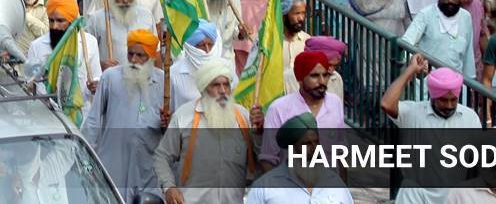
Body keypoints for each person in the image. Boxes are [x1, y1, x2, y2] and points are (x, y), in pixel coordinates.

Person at [154, 57, 260, 204]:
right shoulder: (184, 117)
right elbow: (162, 156)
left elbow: (260, 158)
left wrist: (260, 132)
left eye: (226, 85)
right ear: (203, 88)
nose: (222, 91)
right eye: (216, 85)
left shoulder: (243, 117)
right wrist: (169, 187)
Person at [381, 56, 481, 204]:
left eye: (453, 100)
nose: (448, 105)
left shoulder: (470, 117)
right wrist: (411, 71)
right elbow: (386, 103)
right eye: (443, 100)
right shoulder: (414, 112)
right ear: (432, 96)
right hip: (414, 195)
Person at [84, 29, 170, 200]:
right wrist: (87, 162)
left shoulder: (165, 83)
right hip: (113, 166)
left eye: (141, 55)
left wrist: (167, 124)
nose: (133, 60)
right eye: (130, 54)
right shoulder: (110, 78)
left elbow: (173, 134)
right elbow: (93, 122)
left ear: (152, 57)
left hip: (147, 170)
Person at [259, 51, 345, 169]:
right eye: (314, 76)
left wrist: (343, 186)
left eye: (325, 75)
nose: (321, 81)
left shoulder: (335, 103)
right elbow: (268, 159)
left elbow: (340, 152)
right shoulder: (279, 108)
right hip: (290, 184)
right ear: (300, 79)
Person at [247, 114, 352, 203]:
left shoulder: (334, 182)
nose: (315, 149)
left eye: (316, 142)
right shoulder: (265, 187)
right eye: (307, 144)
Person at [25, 0, 101, 111]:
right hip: (49, 116)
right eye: (51, 21)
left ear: (72, 22)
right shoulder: (37, 46)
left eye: (60, 21)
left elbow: (96, 77)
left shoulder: (89, 43)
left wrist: (95, 86)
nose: (55, 26)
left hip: (81, 114)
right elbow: (30, 83)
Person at [403, 0, 476, 78]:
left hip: (455, 83)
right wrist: (416, 64)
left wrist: (471, 78)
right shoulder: (426, 14)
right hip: (428, 82)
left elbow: (468, 53)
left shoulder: (466, 17)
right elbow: (406, 42)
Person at [86, 0, 154, 68]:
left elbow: (155, 51)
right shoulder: (97, 19)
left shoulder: (146, 16)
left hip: (141, 78)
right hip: (110, 79)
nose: (125, 0)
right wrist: (102, 65)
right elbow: (86, 55)